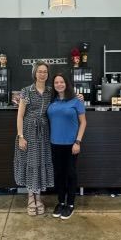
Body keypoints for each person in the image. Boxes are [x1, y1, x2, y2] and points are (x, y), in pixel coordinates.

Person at [14, 62, 54, 216]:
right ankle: (31, 196)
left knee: (41, 161)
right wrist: (20, 136)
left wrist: (79, 96)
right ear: (34, 73)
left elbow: (65, 97)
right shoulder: (26, 91)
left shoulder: (51, 91)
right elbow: (20, 115)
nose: (42, 74)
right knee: (31, 162)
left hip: (44, 131)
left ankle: (39, 196)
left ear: (47, 74)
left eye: (45, 71)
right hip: (29, 131)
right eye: (39, 71)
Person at [47, 74, 87, 220]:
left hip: (71, 145)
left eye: (61, 82)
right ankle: (60, 202)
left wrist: (78, 142)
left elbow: (83, 122)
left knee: (70, 173)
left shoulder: (76, 100)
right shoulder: (52, 101)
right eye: (56, 82)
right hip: (55, 144)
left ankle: (70, 204)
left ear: (66, 83)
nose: (59, 84)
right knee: (59, 174)